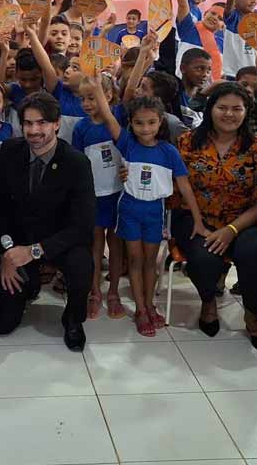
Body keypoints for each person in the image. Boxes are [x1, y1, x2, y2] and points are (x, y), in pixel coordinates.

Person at [170, 82, 257, 352]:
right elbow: (173, 187)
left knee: (252, 250)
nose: (229, 114)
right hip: (195, 216)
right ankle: (208, 302)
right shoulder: (187, 142)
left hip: (244, 220)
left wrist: (231, 230)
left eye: (236, 109)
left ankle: (252, 313)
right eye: (222, 107)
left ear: (246, 111)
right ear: (210, 109)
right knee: (203, 256)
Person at [0, 92, 96, 351]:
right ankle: (30, 283)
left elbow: (82, 226)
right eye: (28, 123)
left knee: (82, 264)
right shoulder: (9, 152)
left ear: (56, 124)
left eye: (41, 123)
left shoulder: (76, 163)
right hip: (17, 241)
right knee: (0, 324)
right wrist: (6, 254)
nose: (34, 130)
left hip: (59, 242)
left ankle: (73, 319)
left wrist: (35, 251)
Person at [95, 89, 204, 336]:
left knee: (150, 262)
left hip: (155, 212)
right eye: (139, 123)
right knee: (134, 260)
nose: (145, 129)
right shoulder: (127, 144)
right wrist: (98, 88)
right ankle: (141, 309)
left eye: (152, 122)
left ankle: (150, 304)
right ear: (131, 123)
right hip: (129, 210)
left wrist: (197, 220)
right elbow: (108, 116)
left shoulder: (169, 151)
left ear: (161, 121)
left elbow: (185, 187)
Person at [73, 74, 127, 320]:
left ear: (108, 96)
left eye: (92, 97)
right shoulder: (81, 128)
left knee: (115, 244)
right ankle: (94, 291)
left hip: (117, 194)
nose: (86, 103)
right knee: (95, 245)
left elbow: (130, 89)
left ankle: (113, 291)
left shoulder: (118, 118)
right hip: (93, 196)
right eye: (83, 98)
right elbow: (77, 162)